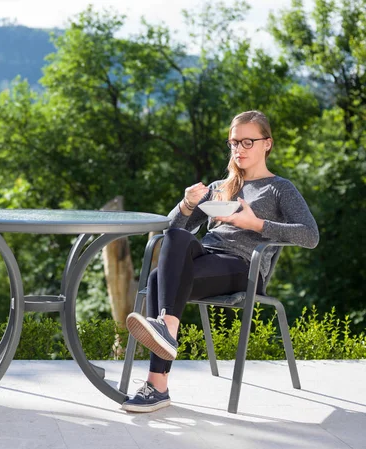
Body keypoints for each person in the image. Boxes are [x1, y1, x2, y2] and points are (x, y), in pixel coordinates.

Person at [122, 110, 319, 413]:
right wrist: (186, 204)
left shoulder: (280, 188)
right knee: (174, 240)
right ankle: (166, 331)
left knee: (156, 279)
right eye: (233, 143)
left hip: (243, 267)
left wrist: (257, 225)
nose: (238, 149)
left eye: (247, 142)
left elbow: (310, 236)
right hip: (207, 257)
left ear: (267, 143)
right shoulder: (221, 186)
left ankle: (157, 380)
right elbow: (175, 228)